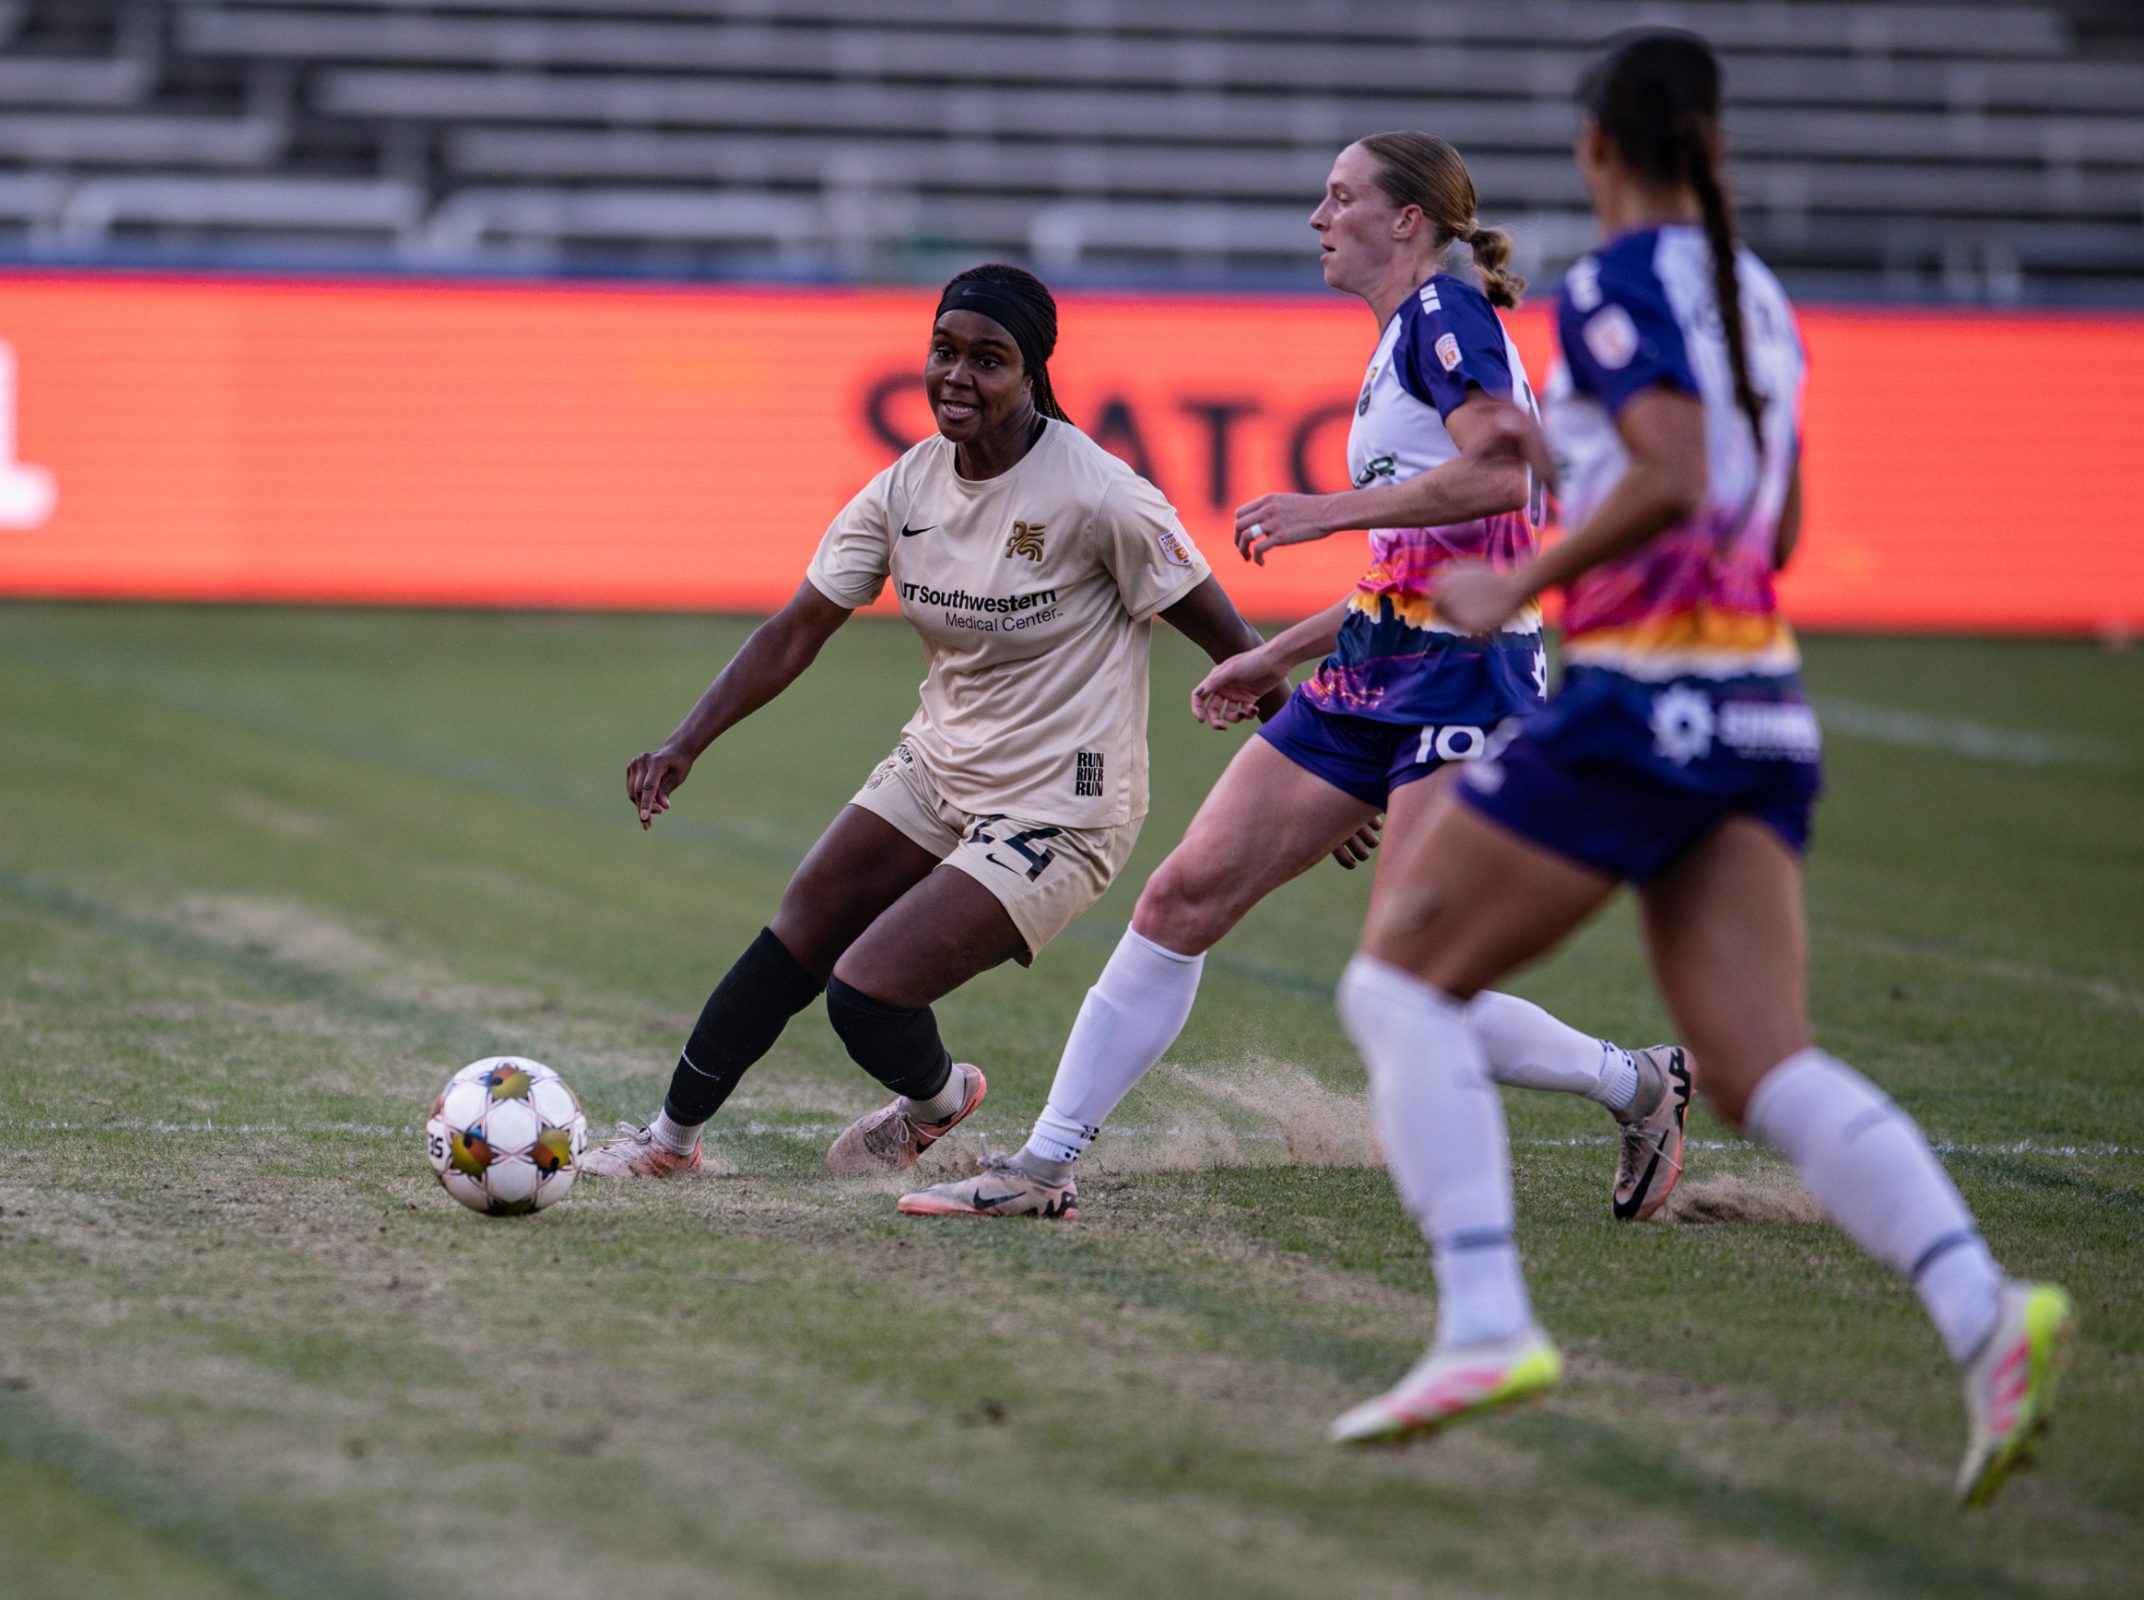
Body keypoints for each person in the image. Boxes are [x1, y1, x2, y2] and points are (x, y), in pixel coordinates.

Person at [1323, 32, 2071, 1508]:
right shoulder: (1761, 301)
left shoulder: (1608, 291)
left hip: (1645, 705)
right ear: (1713, 145)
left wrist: (1518, 573)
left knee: (1395, 984)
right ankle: (1989, 1320)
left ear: (1599, 148)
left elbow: (1665, 476)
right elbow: (1770, 523)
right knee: (1755, 1065)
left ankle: (1484, 1320)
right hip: (1762, 709)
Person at [900, 132, 1689, 1224]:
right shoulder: (1399, 340)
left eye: (1338, 197)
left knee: (1407, 983)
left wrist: (1326, 509)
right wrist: (1271, 654)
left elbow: (1507, 480)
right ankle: (1041, 1165)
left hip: (1464, 682)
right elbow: (1420, 561)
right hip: (1375, 667)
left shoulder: (1445, 316)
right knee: (1181, 897)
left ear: (1404, 219)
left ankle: (1638, 1083)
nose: (1318, 219)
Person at [582, 264, 1310, 1180]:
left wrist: (1318, 767)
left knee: (865, 993)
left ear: (1032, 372)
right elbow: (796, 629)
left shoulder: (1102, 495)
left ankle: (937, 1096)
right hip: (939, 765)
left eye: (988, 360)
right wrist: (686, 740)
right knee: (799, 928)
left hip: (1062, 801)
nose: (957, 376)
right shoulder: (905, 489)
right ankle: (668, 1145)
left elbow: (1236, 642)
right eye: (944, 352)